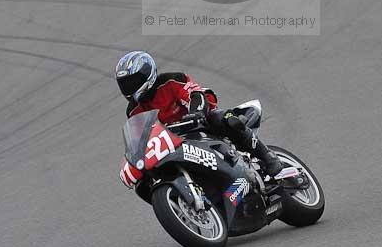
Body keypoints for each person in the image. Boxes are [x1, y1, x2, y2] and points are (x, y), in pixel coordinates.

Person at [116, 51, 284, 187]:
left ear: (147, 74)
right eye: (125, 84)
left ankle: (268, 156)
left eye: (133, 81)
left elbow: (195, 94)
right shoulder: (133, 110)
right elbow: (142, 136)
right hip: (172, 142)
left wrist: (196, 112)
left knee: (224, 118)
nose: (129, 88)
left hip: (199, 122)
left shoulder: (171, 80)